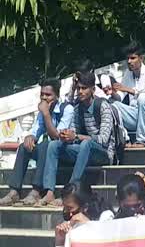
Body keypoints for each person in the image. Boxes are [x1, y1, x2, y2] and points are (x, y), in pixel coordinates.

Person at [0, 79, 74, 207]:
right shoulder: (43, 109)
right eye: (42, 94)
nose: (44, 98)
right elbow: (36, 131)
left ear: (57, 95)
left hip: (63, 151)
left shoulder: (67, 109)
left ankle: (36, 191)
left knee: (46, 144)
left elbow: (57, 138)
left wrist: (46, 114)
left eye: (48, 95)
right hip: (46, 152)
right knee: (24, 147)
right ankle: (14, 191)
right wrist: (30, 137)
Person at [45, 73, 115, 201]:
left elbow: (103, 140)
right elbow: (74, 134)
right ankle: (49, 191)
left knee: (85, 144)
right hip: (84, 150)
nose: (80, 92)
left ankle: (69, 192)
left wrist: (76, 136)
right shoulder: (77, 109)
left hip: (104, 153)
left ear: (93, 90)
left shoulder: (103, 106)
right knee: (54, 145)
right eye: (78, 88)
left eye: (84, 88)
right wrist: (66, 136)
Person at [108, 43, 145, 148]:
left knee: (142, 98)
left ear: (141, 58)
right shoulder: (127, 73)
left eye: (133, 58)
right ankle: (125, 139)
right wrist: (112, 92)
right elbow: (120, 96)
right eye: (128, 58)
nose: (129, 61)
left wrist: (128, 89)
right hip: (134, 116)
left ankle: (141, 141)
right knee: (111, 104)